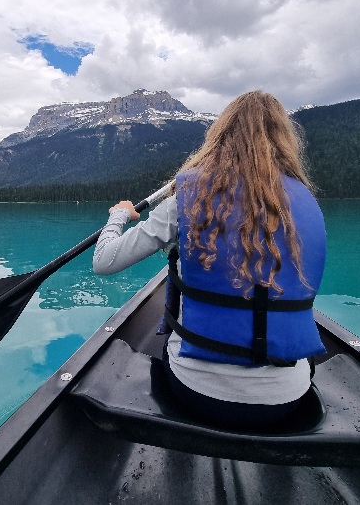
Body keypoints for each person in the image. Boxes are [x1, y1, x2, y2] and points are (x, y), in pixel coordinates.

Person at [92, 90, 327, 431]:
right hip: (287, 399)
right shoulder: (305, 203)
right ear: (283, 140)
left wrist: (119, 216)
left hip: (197, 392)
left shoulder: (187, 198)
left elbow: (104, 261)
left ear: (219, 136)